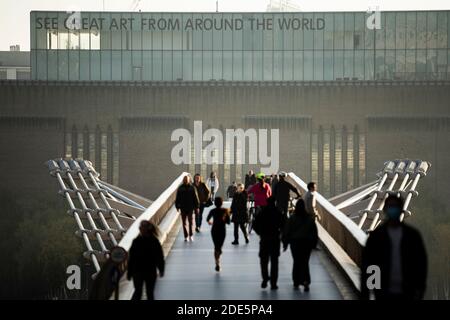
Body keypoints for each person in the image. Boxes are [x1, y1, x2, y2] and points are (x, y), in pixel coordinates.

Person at [360, 194, 427, 300]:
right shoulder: (376, 236)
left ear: (401, 210)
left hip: (407, 292)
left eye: (395, 207)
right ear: (385, 210)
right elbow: (369, 266)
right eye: (390, 207)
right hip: (383, 293)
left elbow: (420, 266)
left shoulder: (413, 236)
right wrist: (369, 293)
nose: (393, 210)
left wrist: (419, 291)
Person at [282, 199, 318, 291]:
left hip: (295, 243)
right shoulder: (309, 218)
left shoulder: (292, 218)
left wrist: (285, 243)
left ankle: (296, 281)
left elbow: (287, 231)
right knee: (305, 262)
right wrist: (314, 244)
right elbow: (314, 232)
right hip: (306, 243)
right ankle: (306, 281)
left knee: (297, 261)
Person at [127, 220, 165, 300]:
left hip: (139, 271)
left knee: (139, 292)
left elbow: (132, 258)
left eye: (141, 227)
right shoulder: (154, 241)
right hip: (149, 271)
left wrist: (129, 272)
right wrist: (161, 269)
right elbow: (160, 257)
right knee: (148, 293)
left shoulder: (137, 241)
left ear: (146, 229)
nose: (140, 228)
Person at [252, 196, 284, 290]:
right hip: (275, 239)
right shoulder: (278, 213)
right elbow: (283, 225)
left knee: (264, 261)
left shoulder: (262, 213)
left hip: (264, 239)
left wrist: (260, 233)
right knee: (274, 262)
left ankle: (265, 278)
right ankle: (274, 283)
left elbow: (255, 224)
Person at [206, 197, 231, 272]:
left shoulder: (212, 211)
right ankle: (218, 261)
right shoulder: (225, 211)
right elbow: (228, 222)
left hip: (214, 230)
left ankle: (217, 262)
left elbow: (207, 219)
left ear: (215, 203)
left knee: (216, 246)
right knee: (219, 247)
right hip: (222, 230)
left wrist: (210, 222)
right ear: (222, 203)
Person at [175, 175, 200, 242]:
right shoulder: (180, 188)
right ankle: (186, 236)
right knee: (184, 223)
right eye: (185, 179)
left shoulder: (192, 188)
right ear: (183, 180)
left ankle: (191, 235)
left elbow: (196, 198)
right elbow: (177, 198)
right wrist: (177, 206)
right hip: (183, 207)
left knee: (190, 222)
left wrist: (197, 207)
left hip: (190, 207)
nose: (186, 180)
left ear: (189, 180)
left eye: (187, 179)